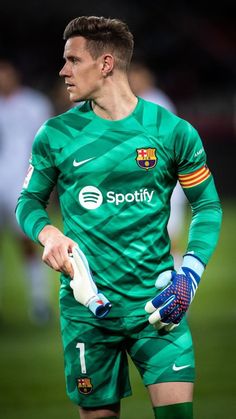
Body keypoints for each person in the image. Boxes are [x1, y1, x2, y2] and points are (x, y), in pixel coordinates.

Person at [15, 16, 222, 419]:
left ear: (106, 64)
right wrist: (49, 235)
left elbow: (208, 205)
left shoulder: (172, 131)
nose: (63, 71)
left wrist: (190, 276)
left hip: (160, 305)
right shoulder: (55, 134)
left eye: (73, 60)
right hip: (87, 309)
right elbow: (28, 202)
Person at [0, 60, 53, 324]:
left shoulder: (34, 104)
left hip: (21, 184)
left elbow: (47, 148)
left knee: (27, 243)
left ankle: (40, 301)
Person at [129, 61, 186, 269]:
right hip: (144, 186)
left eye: (137, 74)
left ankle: (179, 291)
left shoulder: (157, 101)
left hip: (165, 182)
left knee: (169, 242)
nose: (133, 80)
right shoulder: (132, 103)